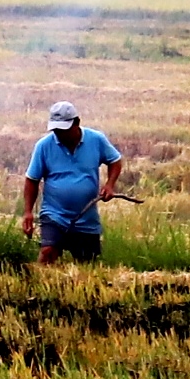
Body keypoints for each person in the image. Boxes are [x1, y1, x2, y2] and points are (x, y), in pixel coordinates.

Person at [21, 101, 122, 264]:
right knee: (48, 252)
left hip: (86, 217)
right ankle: (40, 285)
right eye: (56, 130)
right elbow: (32, 180)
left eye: (63, 130)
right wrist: (28, 212)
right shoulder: (44, 146)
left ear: (77, 123)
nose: (59, 134)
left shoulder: (96, 139)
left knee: (87, 264)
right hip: (54, 214)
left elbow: (115, 161)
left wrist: (110, 185)